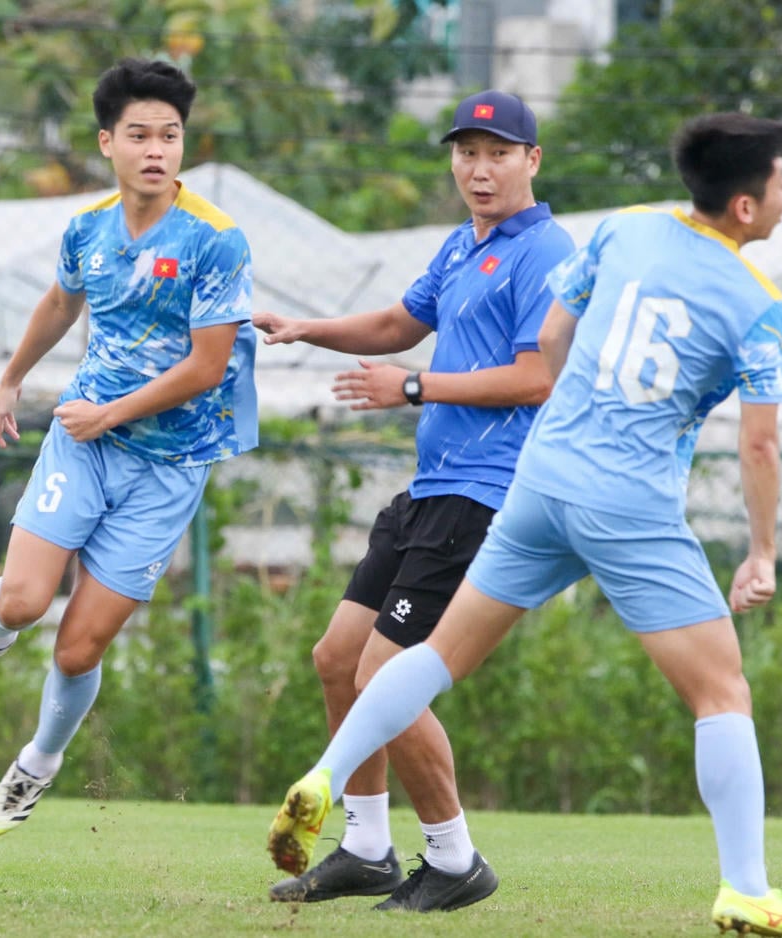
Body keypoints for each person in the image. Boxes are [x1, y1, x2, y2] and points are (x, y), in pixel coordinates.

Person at [266, 112, 782, 936]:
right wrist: (762, 551)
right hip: (628, 502)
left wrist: (580, 413)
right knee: (721, 692)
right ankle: (746, 887)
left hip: (540, 480)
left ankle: (324, 774)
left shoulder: (625, 228)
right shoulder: (759, 305)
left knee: (434, 657)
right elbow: (760, 443)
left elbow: (552, 336)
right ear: (746, 206)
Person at [254, 90, 574, 911]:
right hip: (429, 491)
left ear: (531, 161)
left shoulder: (546, 251)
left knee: (384, 676)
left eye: (498, 152)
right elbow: (400, 321)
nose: (479, 167)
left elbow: (537, 377)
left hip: (482, 494)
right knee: (337, 661)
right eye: (467, 152)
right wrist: (306, 328)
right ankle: (365, 847)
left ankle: (455, 858)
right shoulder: (463, 247)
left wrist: (414, 387)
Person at [0, 57, 257, 838]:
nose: (156, 149)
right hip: (85, 445)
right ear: (107, 143)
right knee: (20, 600)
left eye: (170, 136)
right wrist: (10, 380)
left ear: (184, 145)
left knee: (78, 651)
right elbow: (59, 300)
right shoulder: (87, 229)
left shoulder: (216, 240)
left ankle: (35, 767)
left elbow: (207, 367)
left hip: (170, 466)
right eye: (139, 135)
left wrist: (109, 414)